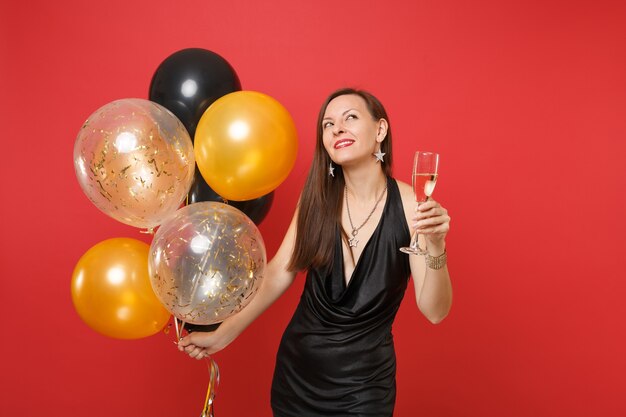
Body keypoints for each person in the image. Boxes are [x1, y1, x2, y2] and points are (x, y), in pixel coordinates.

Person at [178, 88, 453, 416]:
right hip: (297, 378)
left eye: (350, 117)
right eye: (328, 124)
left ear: (380, 130)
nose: (337, 129)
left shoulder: (412, 207)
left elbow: (435, 311)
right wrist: (224, 334)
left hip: (365, 387)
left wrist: (435, 246)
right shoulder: (317, 201)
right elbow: (279, 273)